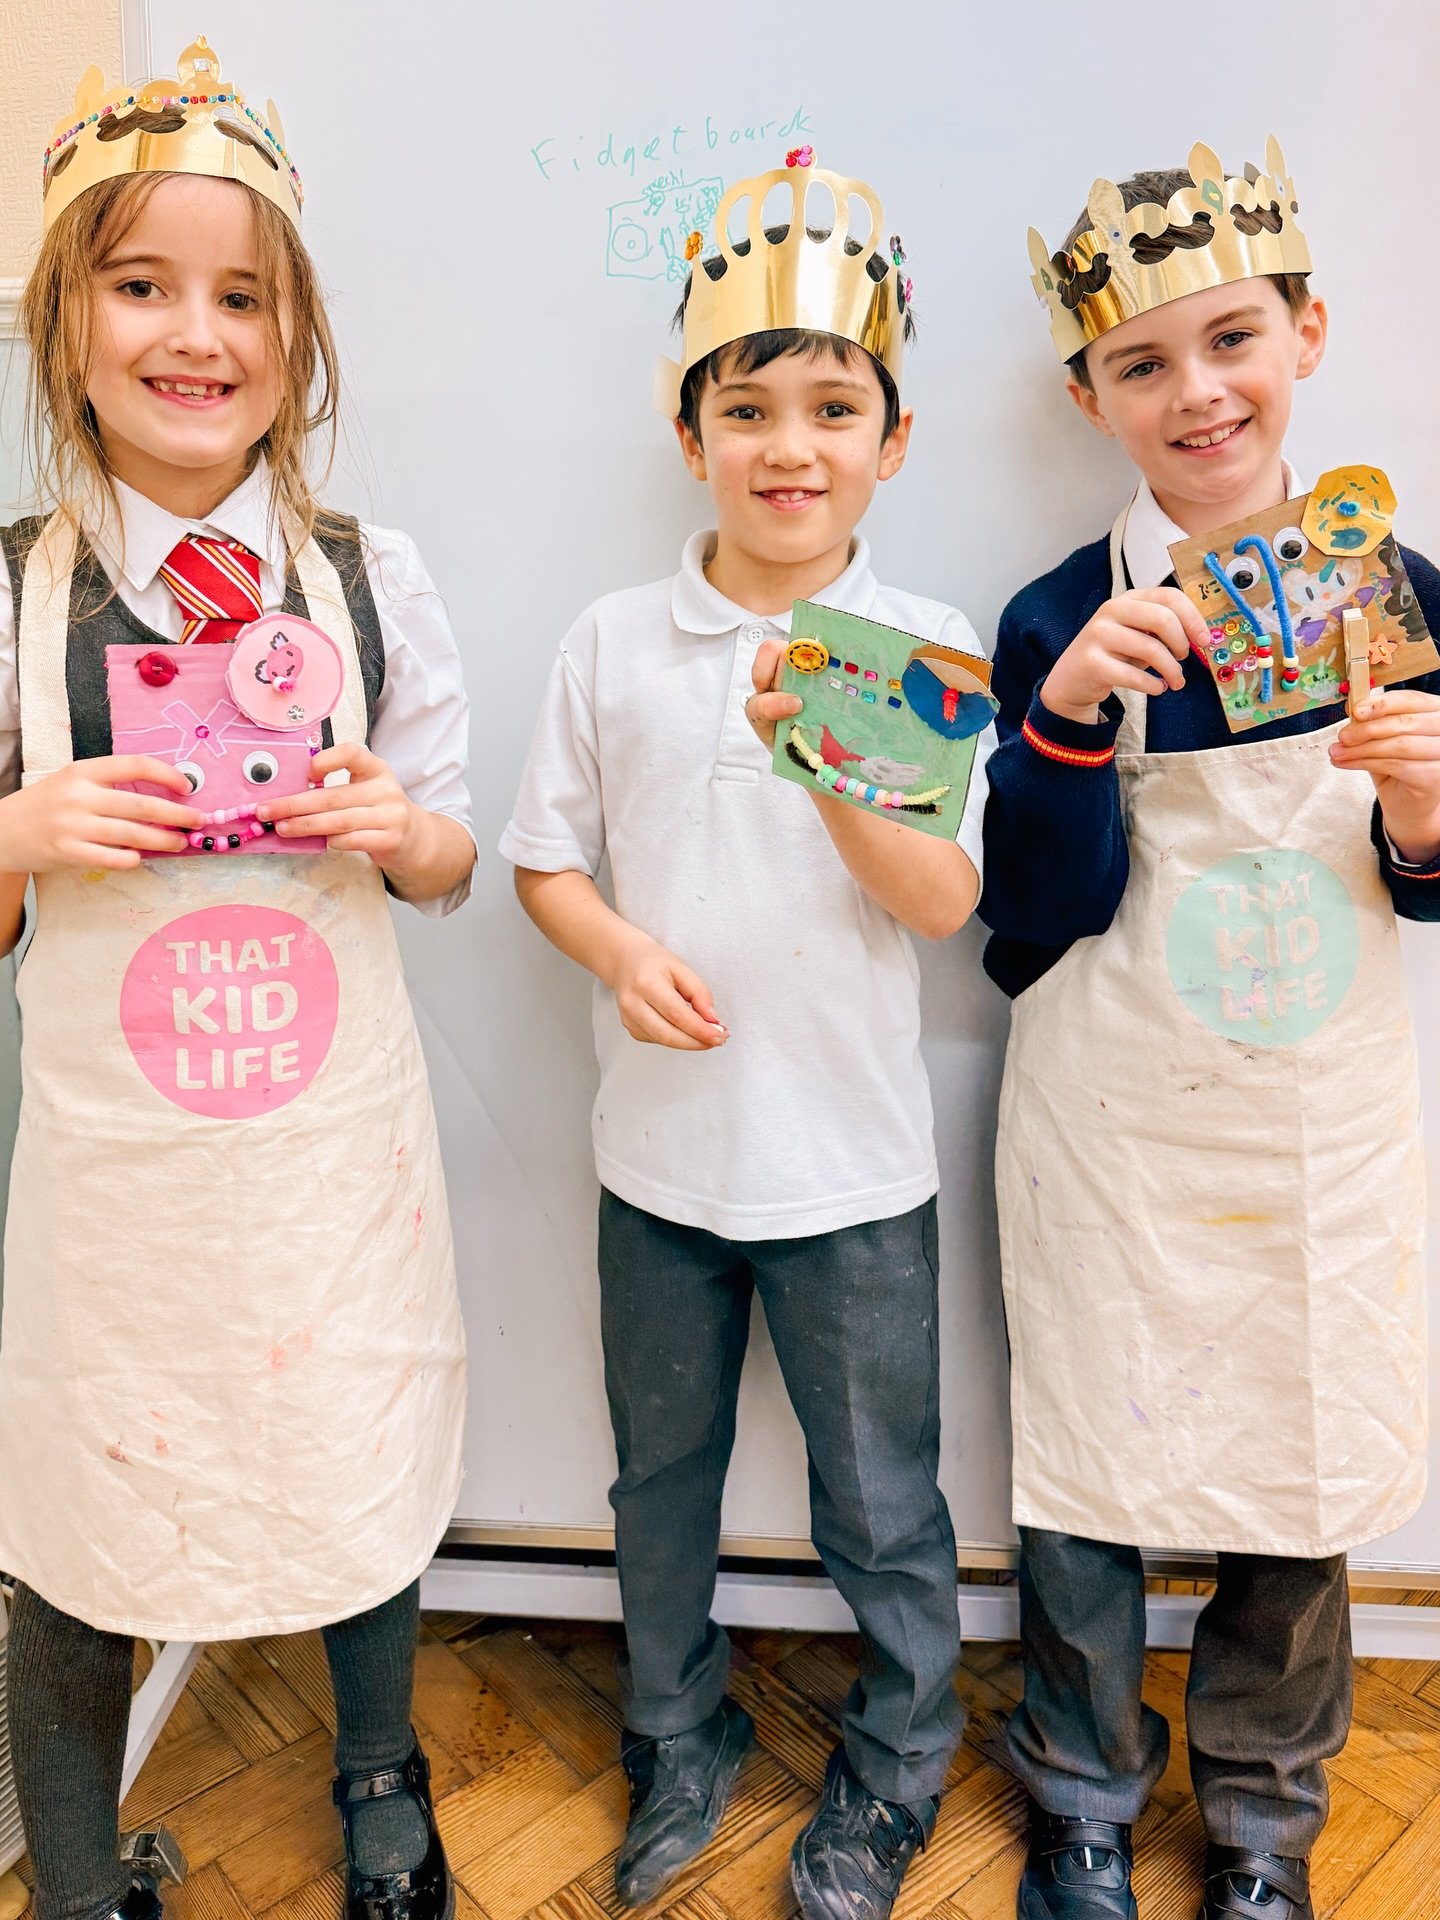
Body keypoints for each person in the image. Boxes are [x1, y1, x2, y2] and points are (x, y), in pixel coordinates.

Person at [0, 38, 475, 1920]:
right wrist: (22, 836)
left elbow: (447, 861)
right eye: (141, 286)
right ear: (66, 321)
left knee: (349, 1440)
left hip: (324, 1158)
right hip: (118, 1189)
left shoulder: (370, 580)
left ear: (298, 338)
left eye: (242, 295)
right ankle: (73, 1851)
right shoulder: (19, 595)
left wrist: (390, 826)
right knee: (75, 1492)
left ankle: (381, 1782)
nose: (194, 335)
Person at [502, 150, 993, 1920]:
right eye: (750, 406)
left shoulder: (927, 648)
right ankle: (676, 1737)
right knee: (660, 1484)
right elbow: (543, 861)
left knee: (883, 1502)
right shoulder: (618, 639)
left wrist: (832, 754)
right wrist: (619, 950)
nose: (792, 444)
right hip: (660, 1165)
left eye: (835, 408)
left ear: (896, 439)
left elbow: (943, 908)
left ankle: (897, 1764)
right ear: (690, 427)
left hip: (854, 1168)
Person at [981, 139, 1440, 1920]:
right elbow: (1030, 907)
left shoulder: (1394, 592)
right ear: (1087, 393)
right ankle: (1083, 1792)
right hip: (1118, 1108)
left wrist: (1420, 808)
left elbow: (1424, 888)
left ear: (1309, 336)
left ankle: (1263, 1814)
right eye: (1143, 364)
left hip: (1318, 1111)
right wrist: (1076, 720)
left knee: (1301, 1450)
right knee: (1090, 1457)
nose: (1198, 393)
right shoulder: (1049, 613)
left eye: (1232, 341)